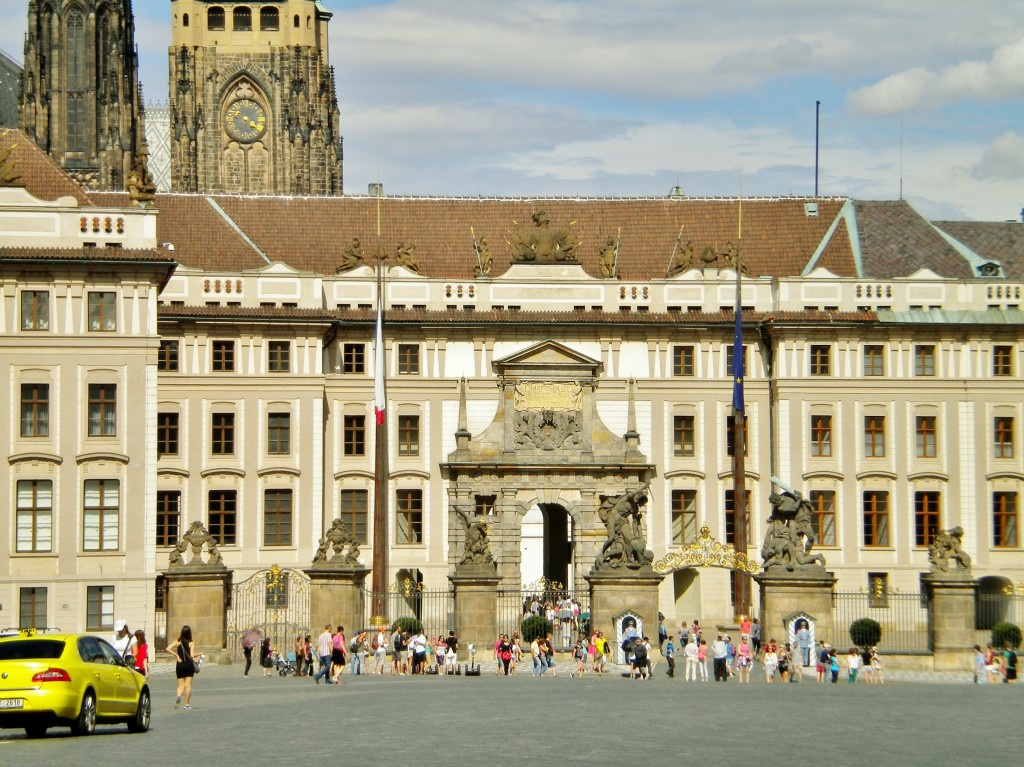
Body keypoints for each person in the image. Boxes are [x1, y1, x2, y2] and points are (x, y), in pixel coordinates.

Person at [166, 624, 197, 710]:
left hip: (180, 665)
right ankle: (186, 704)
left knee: (180, 685)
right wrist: (199, 654)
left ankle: (179, 695)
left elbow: (167, 648)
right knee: (188, 685)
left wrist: (176, 655)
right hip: (189, 665)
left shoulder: (177, 641)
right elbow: (192, 655)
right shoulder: (191, 642)